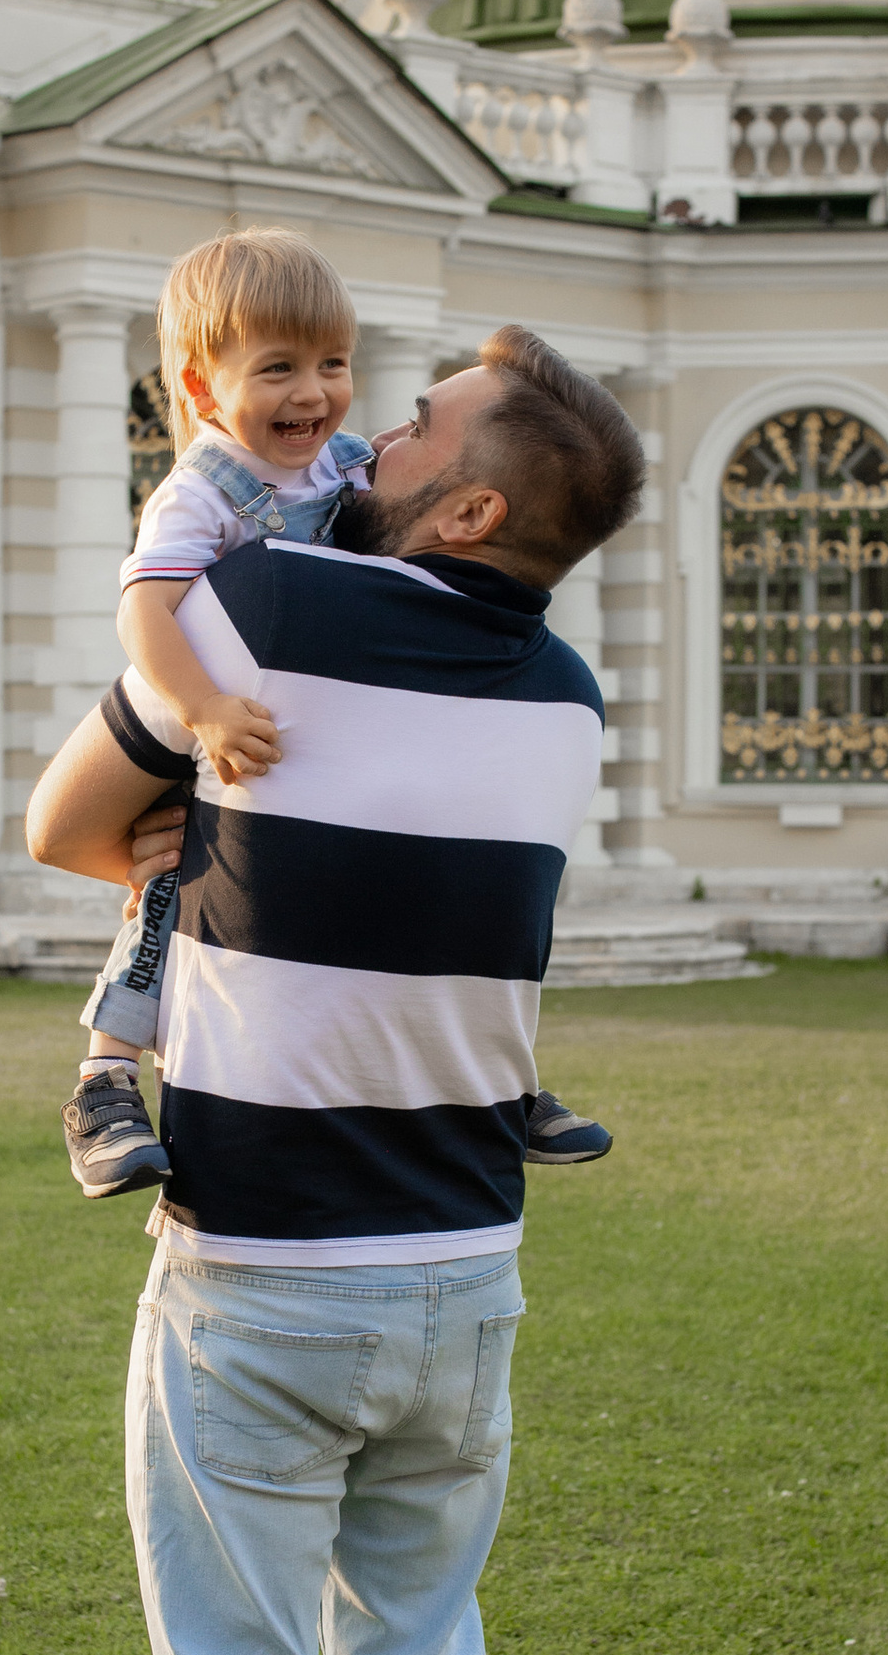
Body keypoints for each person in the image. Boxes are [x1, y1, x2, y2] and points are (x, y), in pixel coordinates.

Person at [25, 323, 646, 1655]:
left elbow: (62, 819)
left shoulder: (264, 600)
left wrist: (193, 835)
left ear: (463, 502)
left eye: (422, 421)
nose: (371, 425)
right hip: (463, 1276)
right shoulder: (563, 698)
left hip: (261, 1280)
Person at [64, 231, 611, 1204]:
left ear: (473, 512)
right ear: (200, 391)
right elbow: (143, 606)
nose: (317, 398)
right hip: (212, 723)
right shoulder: (210, 502)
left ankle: (498, 1080)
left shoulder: (335, 472)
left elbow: (56, 826)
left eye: (334, 366)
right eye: (278, 369)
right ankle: (103, 1078)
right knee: (159, 898)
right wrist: (204, 709)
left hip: (284, 1207)